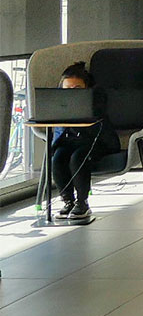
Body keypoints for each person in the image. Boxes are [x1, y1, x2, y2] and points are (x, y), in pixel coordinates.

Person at [49, 62, 120, 223]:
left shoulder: (96, 98)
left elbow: (99, 121)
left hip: (95, 141)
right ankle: (68, 201)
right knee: (58, 158)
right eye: (68, 89)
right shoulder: (59, 103)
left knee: (78, 157)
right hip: (70, 141)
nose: (72, 93)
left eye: (77, 88)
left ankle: (82, 203)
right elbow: (58, 129)